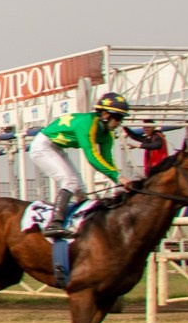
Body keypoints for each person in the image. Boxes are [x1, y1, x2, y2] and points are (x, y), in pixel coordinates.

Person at [32, 92, 128, 236]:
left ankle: (79, 225)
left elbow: (107, 161)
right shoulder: (88, 124)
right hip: (42, 146)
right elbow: (92, 158)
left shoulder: (107, 135)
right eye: (119, 117)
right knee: (70, 182)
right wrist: (119, 178)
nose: (120, 122)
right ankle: (54, 223)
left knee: (80, 189)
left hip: (55, 147)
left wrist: (119, 180)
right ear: (106, 115)